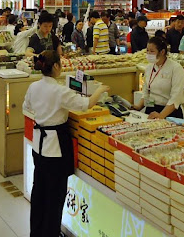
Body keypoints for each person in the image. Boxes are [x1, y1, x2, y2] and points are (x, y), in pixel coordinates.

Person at [23, 51, 109, 237]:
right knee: (55, 196)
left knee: (40, 192)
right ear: (55, 66)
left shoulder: (34, 86)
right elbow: (85, 104)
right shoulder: (60, 91)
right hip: (55, 148)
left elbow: (26, 107)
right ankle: (51, 233)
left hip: (39, 145)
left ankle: (36, 232)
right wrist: (100, 90)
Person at [133, 36, 184, 119]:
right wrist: (138, 107)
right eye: (147, 51)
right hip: (151, 109)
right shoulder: (149, 67)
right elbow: (147, 93)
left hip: (169, 112)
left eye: (152, 51)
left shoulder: (176, 68)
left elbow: (175, 99)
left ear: (162, 52)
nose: (148, 54)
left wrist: (161, 116)